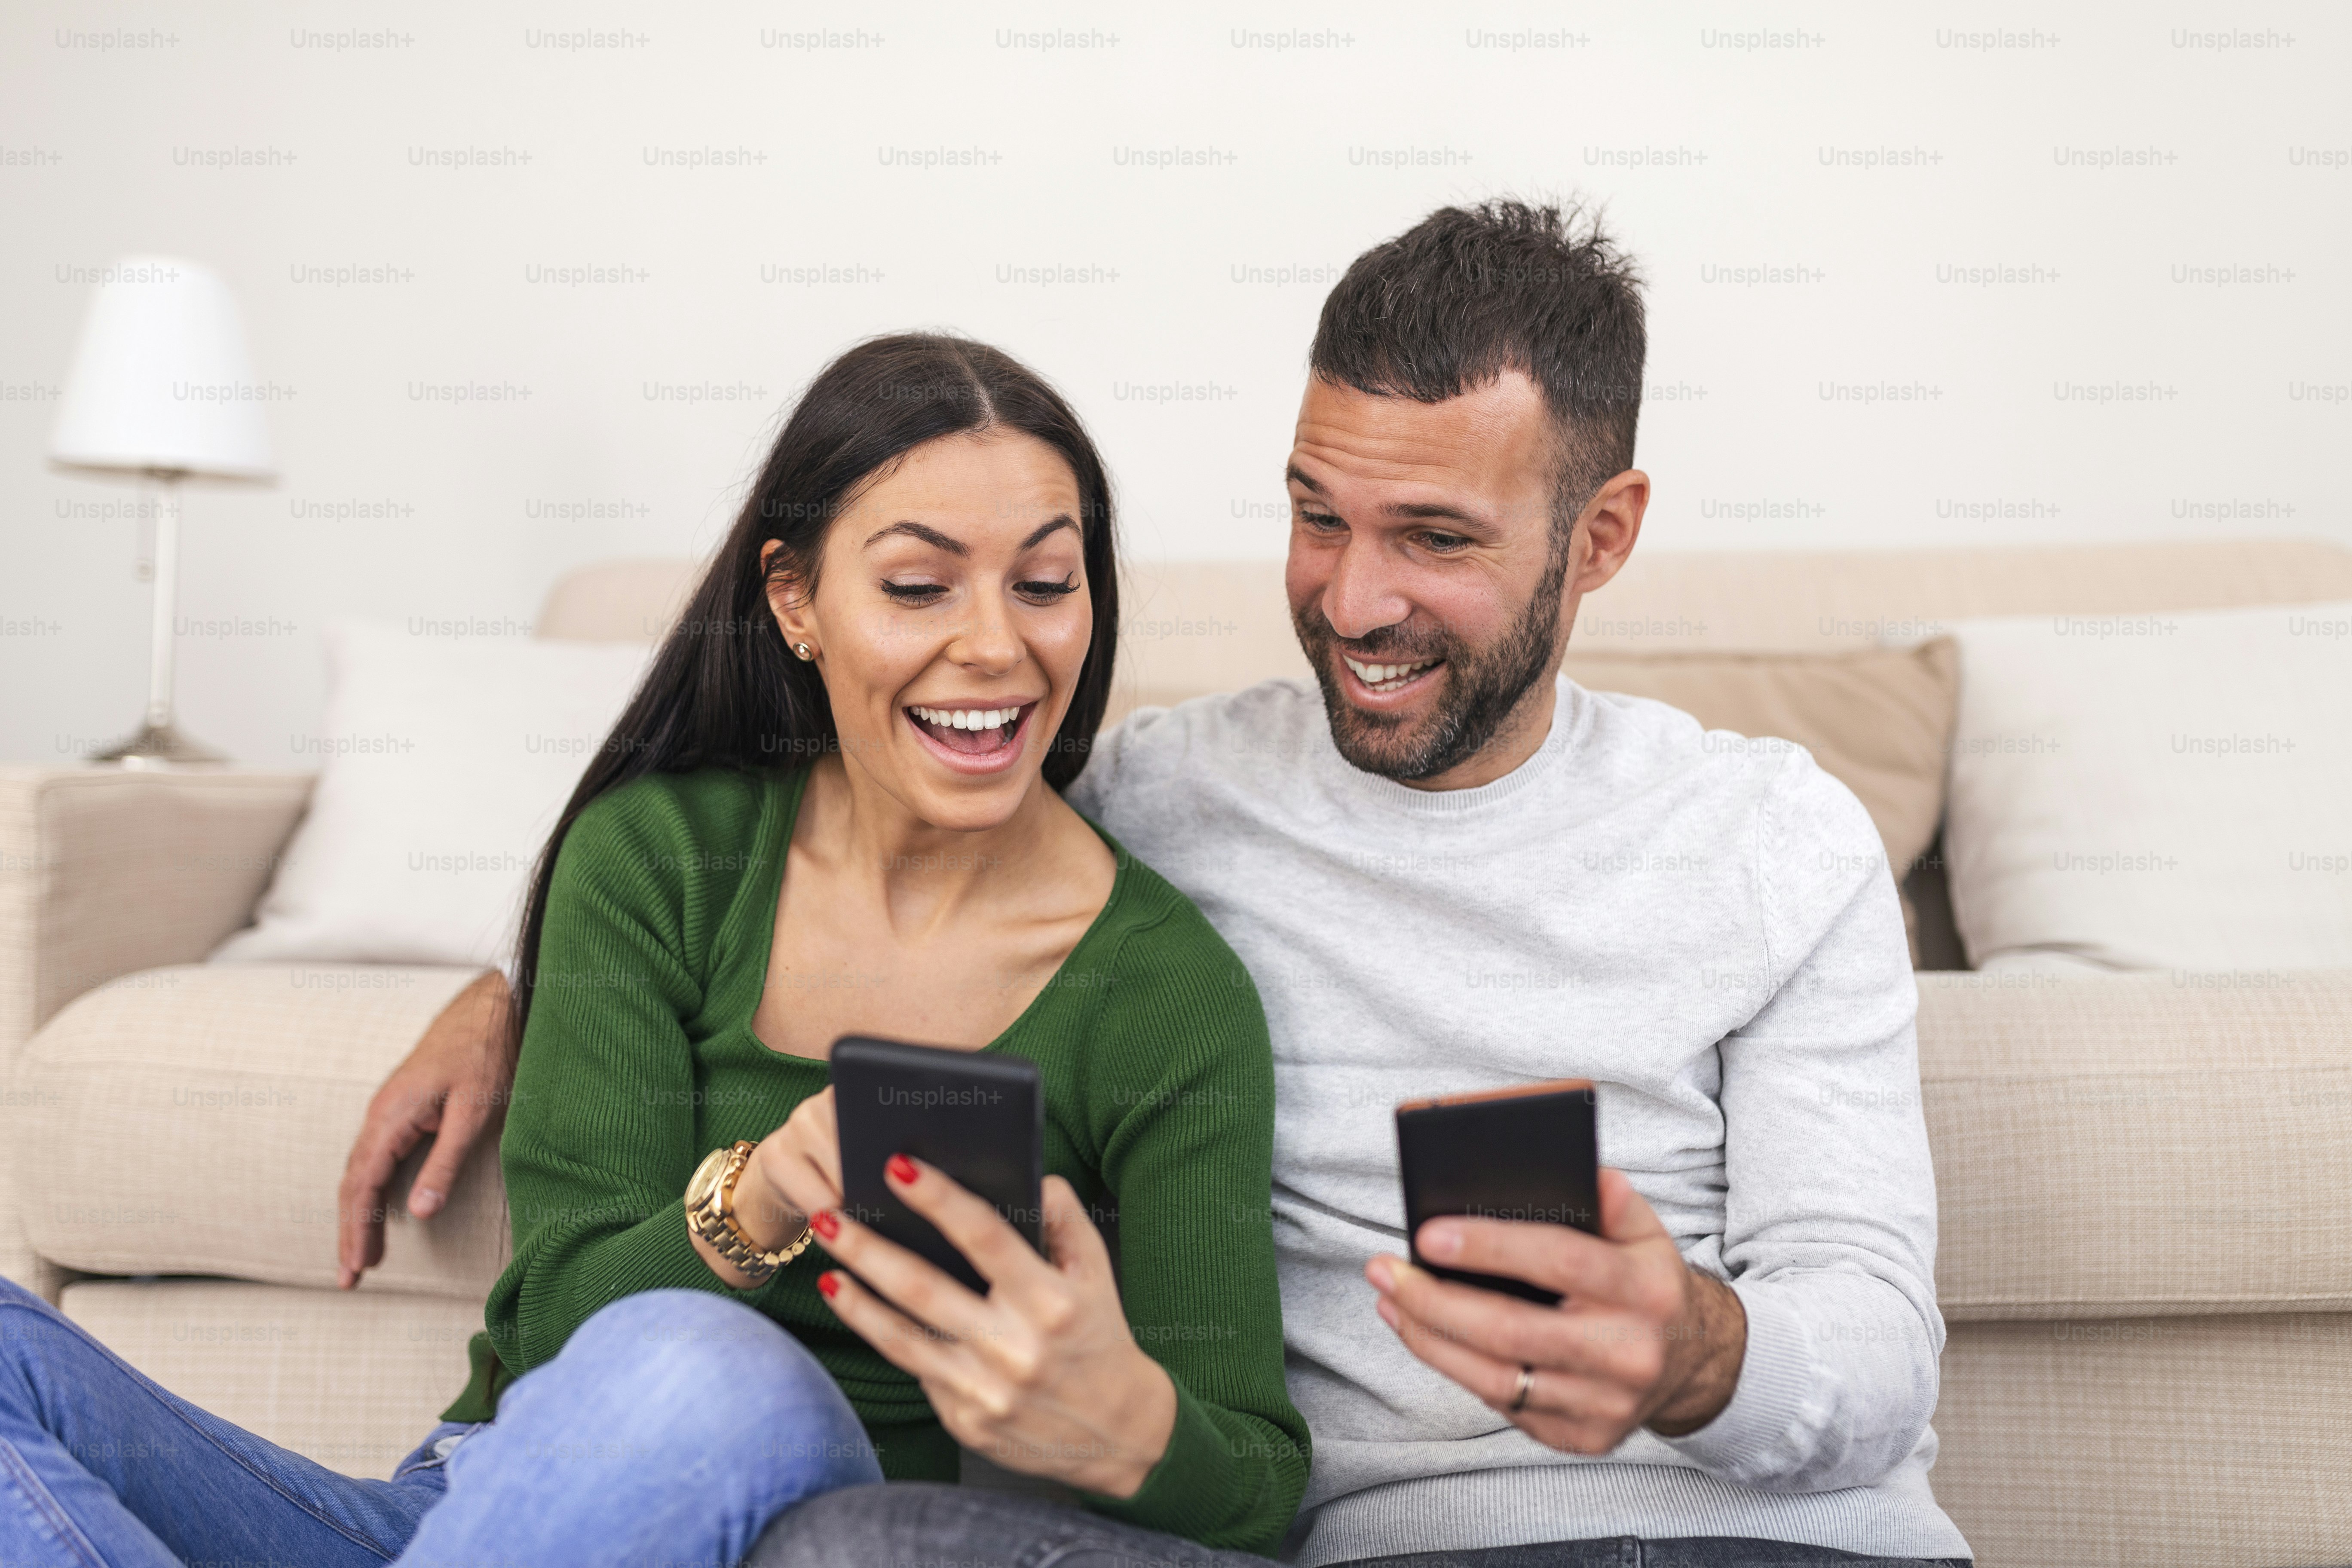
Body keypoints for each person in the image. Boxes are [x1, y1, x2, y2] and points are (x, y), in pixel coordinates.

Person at [346, 202, 1975, 1568]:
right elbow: (867, 831)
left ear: (1601, 536)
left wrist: (1695, 1347)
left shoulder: (1771, 835)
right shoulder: (1160, 797)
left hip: (1784, 1540)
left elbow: (1878, 1341)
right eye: (1316, 516)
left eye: (1436, 540)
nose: (1353, 600)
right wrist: (524, 984)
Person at [0, 334, 1308, 1567]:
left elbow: (1252, 1476)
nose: (996, 644)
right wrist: (765, 1195)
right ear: (794, 601)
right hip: (479, 1507)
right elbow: (565, 1327)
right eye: (918, 586)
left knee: (702, 1369)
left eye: (1044, 582)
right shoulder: (659, 858)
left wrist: (1121, 1414)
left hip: (799, 1521)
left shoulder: (1162, 992)